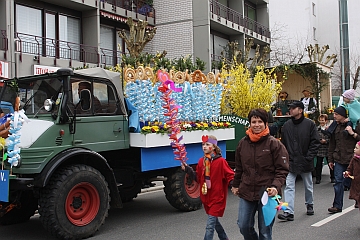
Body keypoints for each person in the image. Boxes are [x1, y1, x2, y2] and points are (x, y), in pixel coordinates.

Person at [231, 108, 289, 239]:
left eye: (260, 121)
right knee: (243, 226)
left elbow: (282, 169)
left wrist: (275, 186)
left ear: (265, 123)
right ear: (249, 124)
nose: (256, 125)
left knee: (265, 231)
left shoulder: (274, 144)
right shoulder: (242, 144)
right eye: (253, 121)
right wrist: (235, 185)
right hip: (247, 191)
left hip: (267, 193)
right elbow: (239, 168)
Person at [181, 135, 234, 240]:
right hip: (206, 196)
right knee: (215, 222)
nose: (204, 147)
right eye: (203, 144)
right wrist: (188, 169)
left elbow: (230, 175)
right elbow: (198, 178)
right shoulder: (201, 161)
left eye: (207, 144)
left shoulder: (221, 161)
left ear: (214, 147)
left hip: (217, 197)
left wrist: (234, 186)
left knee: (210, 226)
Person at [278, 101, 320, 221]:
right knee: (289, 186)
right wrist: (284, 158)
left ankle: (309, 204)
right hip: (291, 161)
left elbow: (315, 142)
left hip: (305, 160)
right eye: (290, 108)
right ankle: (288, 211)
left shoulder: (310, 125)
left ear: (300, 110)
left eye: (293, 108)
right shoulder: (286, 126)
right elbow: (283, 144)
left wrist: (308, 157)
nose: (290, 110)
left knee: (308, 185)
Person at [327, 106, 360, 213]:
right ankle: (337, 205)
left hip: (353, 159)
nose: (334, 116)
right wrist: (330, 159)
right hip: (339, 158)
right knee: (338, 182)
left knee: (356, 182)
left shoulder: (353, 124)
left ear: (343, 115)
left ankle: (358, 201)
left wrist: (352, 133)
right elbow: (332, 144)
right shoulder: (334, 127)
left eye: (336, 114)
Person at [315, 114, 333, 184]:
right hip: (320, 149)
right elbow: (315, 137)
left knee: (330, 163)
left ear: (326, 121)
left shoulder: (329, 129)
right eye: (320, 120)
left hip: (328, 148)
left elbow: (331, 138)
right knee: (318, 164)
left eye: (323, 120)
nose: (321, 122)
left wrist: (326, 141)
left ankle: (333, 177)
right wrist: (319, 140)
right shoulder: (317, 129)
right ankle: (318, 178)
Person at [343, 141, 360, 209]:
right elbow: (350, 168)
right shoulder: (354, 159)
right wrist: (347, 173)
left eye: (356, 148)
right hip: (356, 183)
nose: (354, 149)